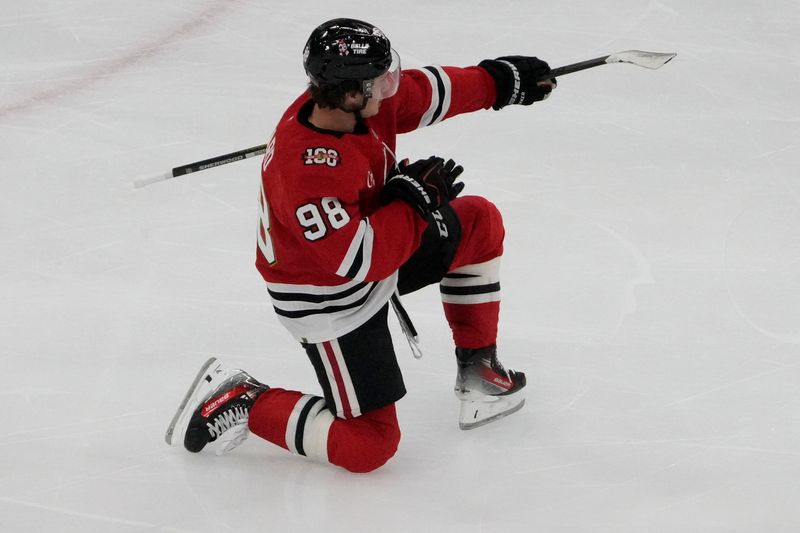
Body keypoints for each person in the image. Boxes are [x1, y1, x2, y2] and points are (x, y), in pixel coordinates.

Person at [165, 18, 556, 473]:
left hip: (370, 254)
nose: (390, 86)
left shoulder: (354, 105)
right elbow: (359, 260)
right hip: (330, 300)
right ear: (352, 93)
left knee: (478, 223)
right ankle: (246, 400)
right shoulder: (308, 169)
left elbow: (426, 91)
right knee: (370, 446)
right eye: (380, 80)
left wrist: (499, 83)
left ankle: (479, 371)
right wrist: (414, 202)